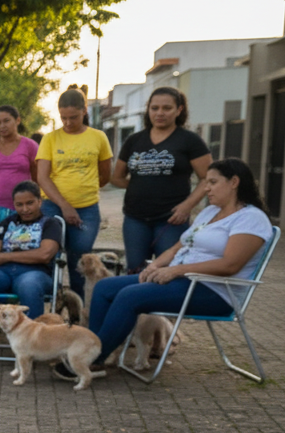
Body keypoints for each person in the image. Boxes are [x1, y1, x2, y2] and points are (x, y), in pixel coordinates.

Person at [55, 159, 272, 380]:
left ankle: (92, 359)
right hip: (181, 280)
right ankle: (94, 351)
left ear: (234, 182)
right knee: (104, 287)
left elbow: (230, 265)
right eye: (206, 182)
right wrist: (157, 265)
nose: (206, 188)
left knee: (130, 296)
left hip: (214, 291)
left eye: (213, 182)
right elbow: (178, 246)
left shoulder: (251, 219)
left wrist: (176, 271)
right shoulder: (210, 213)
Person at [110, 86, 214, 272]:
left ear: (179, 110)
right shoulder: (134, 141)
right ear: (148, 109)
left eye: (167, 108)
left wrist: (187, 206)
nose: (160, 113)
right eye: (154, 108)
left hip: (171, 220)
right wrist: (141, 185)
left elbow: (208, 178)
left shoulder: (190, 140)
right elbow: (117, 178)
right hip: (135, 219)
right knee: (135, 270)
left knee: (167, 270)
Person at [0, 181, 64, 363]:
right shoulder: (7, 222)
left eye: (29, 203)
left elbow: (44, 254)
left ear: (40, 201)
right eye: (19, 204)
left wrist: (6, 257)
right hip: (3, 272)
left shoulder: (50, 223)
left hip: (36, 272)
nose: (25, 209)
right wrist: (5, 258)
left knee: (29, 285)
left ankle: (32, 348)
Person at [35, 87, 112, 298]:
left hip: (87, 209)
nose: (68, 123)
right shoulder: (50, 139)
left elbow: (105, 175)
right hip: (53, 204)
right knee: (50, 252)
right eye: (63, 118)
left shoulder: (98, 137)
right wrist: (64, 204)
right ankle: (52, 300)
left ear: (84, 110)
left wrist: (84, 191)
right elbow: (42, 177)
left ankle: (79, 304)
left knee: (80, 257)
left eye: (74, 117)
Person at [0, 104, 39, 232]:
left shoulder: (30, 146)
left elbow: (37, 178)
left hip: (23, 208)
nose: (2, 126)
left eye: (6, 121)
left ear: (17, 120)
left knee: (21, 245)